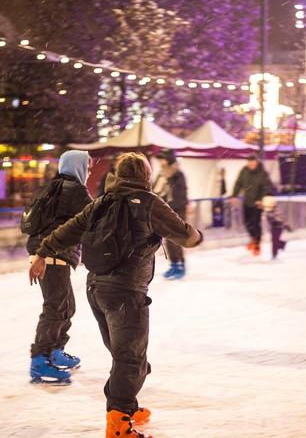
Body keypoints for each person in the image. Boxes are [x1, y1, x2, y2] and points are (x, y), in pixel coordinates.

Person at [29, 152, 202, 438]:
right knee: (130, 358)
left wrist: (42, 252)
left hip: (96, 289)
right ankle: (119, 423)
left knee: (126, 356)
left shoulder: (101, 203)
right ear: (145, 176)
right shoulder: (149, 203)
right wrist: (197, 235)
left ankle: (126, 407)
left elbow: (67, 231)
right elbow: (186, 236)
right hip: (126, 292)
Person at [26, 150, 93, 385]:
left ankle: (54, 350)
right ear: (78, 167)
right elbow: (94, 219)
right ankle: (40, 359)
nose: (90, 171)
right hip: (53, 255)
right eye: (88, 166)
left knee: (66, 306)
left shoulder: (52, 186)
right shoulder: (76, 190)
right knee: (56, 307)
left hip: (47, 254)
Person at [153, 149, 189, 279]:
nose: (160, 162)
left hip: (177, 210)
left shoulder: (177, 175)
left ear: (169, 160)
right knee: (168, 239)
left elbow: (179, 195)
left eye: (162, 159)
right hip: (164, 210)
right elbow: (155, 190)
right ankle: (174, 265)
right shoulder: (161, 175)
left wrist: (169, 206)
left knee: (175, 238)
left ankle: (180, 265)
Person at [232, 155, 274, 256]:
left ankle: (257, 245)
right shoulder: (244, 171)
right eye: (249, 161)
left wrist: (261, 199)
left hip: (257, 203)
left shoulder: (262, 173)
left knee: (255, 223)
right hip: (247, 202)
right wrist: (234, 195)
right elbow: (238, 183)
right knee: (247, 224)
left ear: (256, 162)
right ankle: (253, 240)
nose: (251, 163)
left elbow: (267, 187)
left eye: (253, 161)